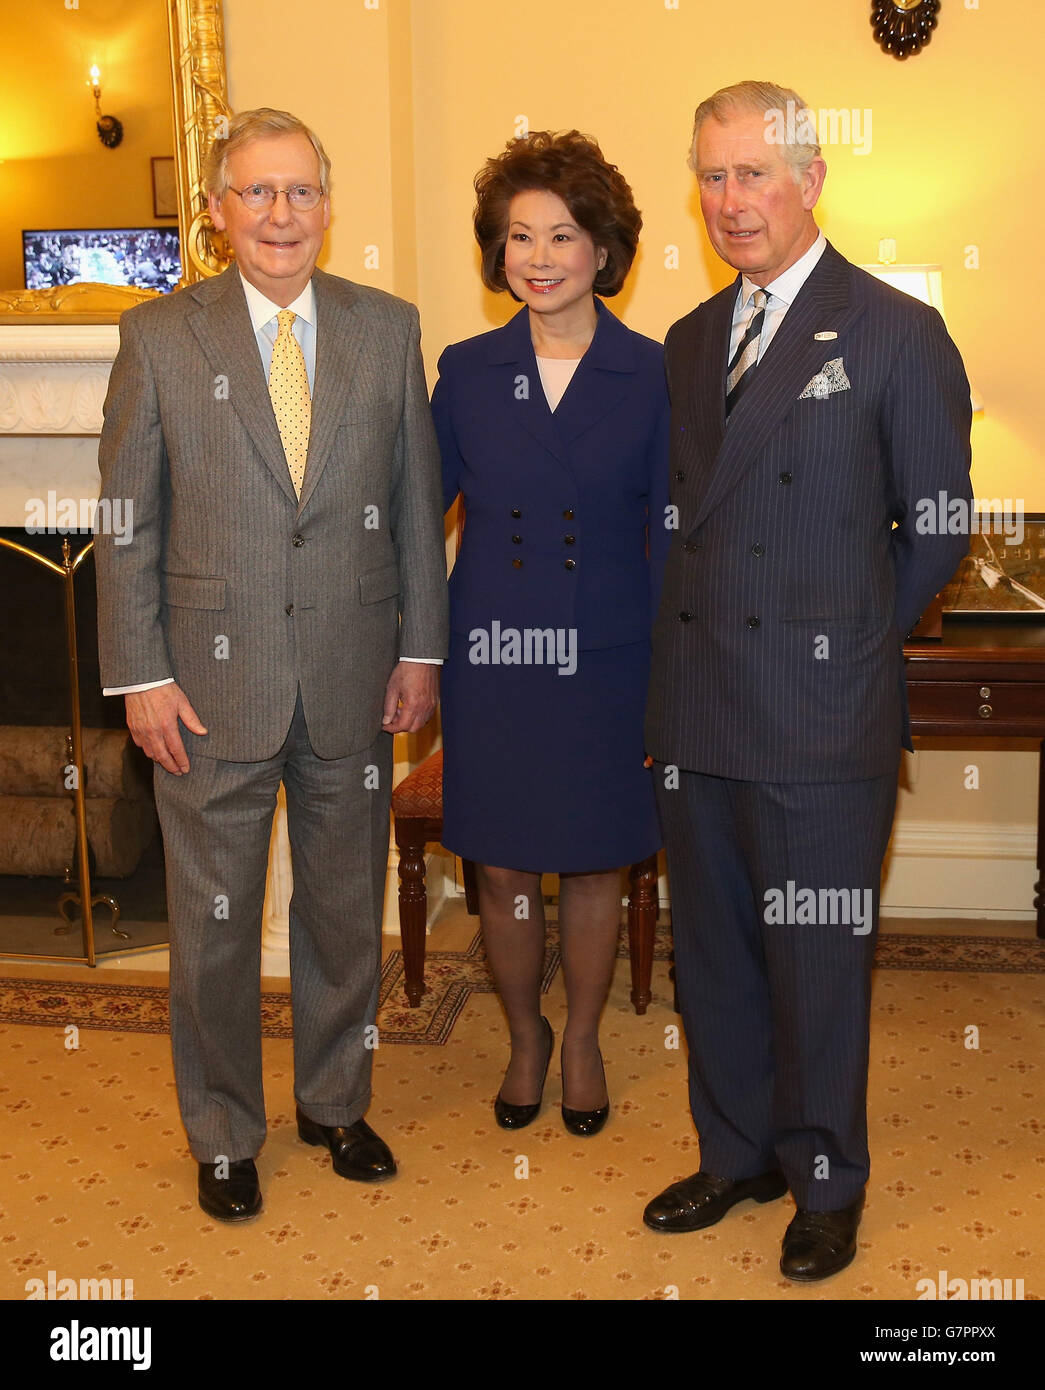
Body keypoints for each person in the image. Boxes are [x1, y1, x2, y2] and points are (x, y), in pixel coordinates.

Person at [93, 108, 448, 1221]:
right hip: (201, 691)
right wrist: (138, 673)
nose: (279, 214)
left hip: (354, 674)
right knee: (213, 928)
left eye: (299, 192)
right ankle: (222, 1132)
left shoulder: (387, 329)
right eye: (255, 193)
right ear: (216, 212)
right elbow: (124, 520)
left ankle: (336, 1104)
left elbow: (414, 507)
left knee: (345, 913)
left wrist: (420, 650)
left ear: (328, 206)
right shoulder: (158, 338)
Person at [643, 82, 972, 1280]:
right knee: (716, 951)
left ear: (810, 178)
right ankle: (734, 1154)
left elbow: (936, 522)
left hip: (820, 712)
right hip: (699, 707)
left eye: (753, 175)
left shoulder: (891, 329)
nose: (730, 202)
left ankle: (825, 1177)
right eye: (712, 176)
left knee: (817, 958)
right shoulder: (687, 341)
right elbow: (679, 531)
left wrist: (850, 644)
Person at [432, 131, 669, 1137]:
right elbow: (414, 521)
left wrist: (671, 681)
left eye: (561, 235)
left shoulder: (655, 372)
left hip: (609, 661)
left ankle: (580, 1037)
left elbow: (671, 536)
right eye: (518, 235)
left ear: (602, 250)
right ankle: (523, 1034)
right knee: (503, 865)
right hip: (492, 660)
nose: (537, 255)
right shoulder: (469, 369)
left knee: (594, 861)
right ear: (497, 251)